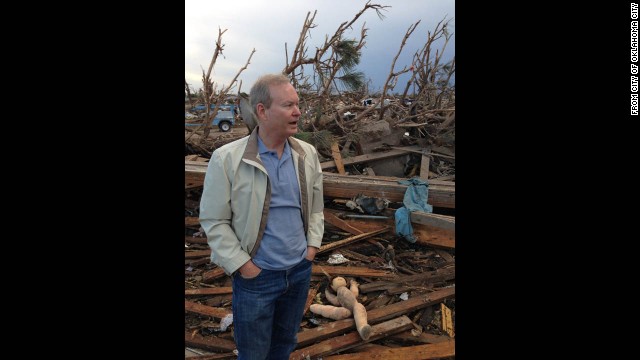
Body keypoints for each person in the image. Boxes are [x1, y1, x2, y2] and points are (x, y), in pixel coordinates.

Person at [199, 73, 324, 359]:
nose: (298, 111)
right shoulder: (227, 158)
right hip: (257, 278)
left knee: (284, 344)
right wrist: (244, 266)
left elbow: (316, 207)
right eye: (288, 105)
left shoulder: (307, 154)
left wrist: (312, 248)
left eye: (298, 104)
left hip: (299, 271)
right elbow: (214, 221)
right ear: (262, 111)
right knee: (254, 352)